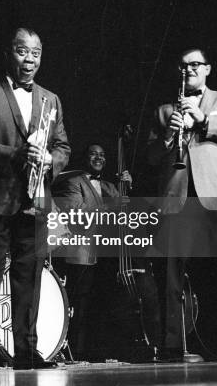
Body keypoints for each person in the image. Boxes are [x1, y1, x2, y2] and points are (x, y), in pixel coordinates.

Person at [0, 27, 70, 370]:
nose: (29, 60)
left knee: (30, 278)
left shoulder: (52, 99)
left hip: (34, 200)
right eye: (23, 52)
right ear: (10, 52)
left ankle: (26, 350)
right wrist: (16, 154)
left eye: (36, 54)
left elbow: (63, 146)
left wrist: (51, 160)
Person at [147, 48, 217, 361]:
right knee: (171, 272)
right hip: (177, 196)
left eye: (195, 64)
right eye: (183, 65)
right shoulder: (164, 110)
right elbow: (151, 157)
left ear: (208, 68)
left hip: (216, 194)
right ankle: (170, 345)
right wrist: (169, 133)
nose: (189, 69)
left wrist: (205, 120)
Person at [52, 144, 135, 360]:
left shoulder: (110, 186)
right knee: (81, 302)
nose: (99, 157)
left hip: (107, 254)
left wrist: (127, 187)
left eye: (102, 154)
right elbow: (76, 214)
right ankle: (75, 352)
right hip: (82, 251)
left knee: (104, 303)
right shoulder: (72, 181)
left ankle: (100, 350)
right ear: (84, 158)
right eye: (93, 154)